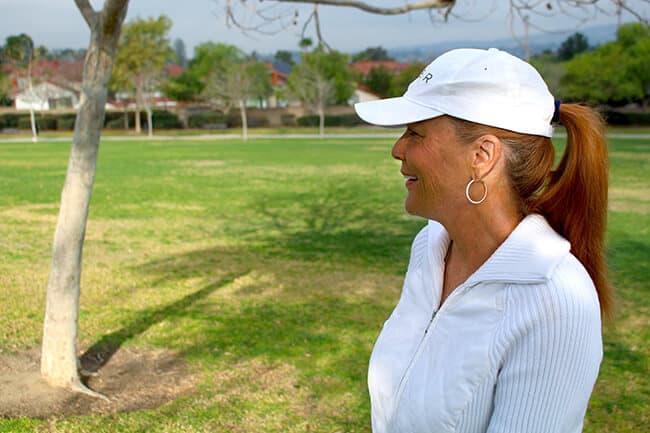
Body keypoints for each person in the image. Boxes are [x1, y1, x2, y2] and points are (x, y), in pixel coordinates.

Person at [353, 48, 613, 433]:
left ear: (482, 154)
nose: (397, 149)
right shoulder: (430, 248)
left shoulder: (556, 299)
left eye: (416, 132)